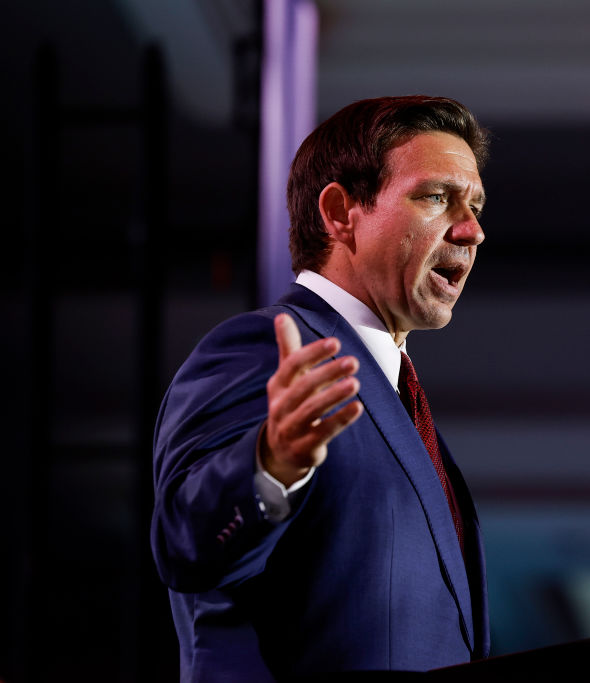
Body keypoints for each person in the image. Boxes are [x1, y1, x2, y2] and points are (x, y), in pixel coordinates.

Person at [151, 95, 490, 681]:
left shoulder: (398, 395)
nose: (472, 230)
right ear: (339, 212)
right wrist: (270, 466)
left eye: (476, 205)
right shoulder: (266, 350)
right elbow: (187, 545)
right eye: (436, 197)